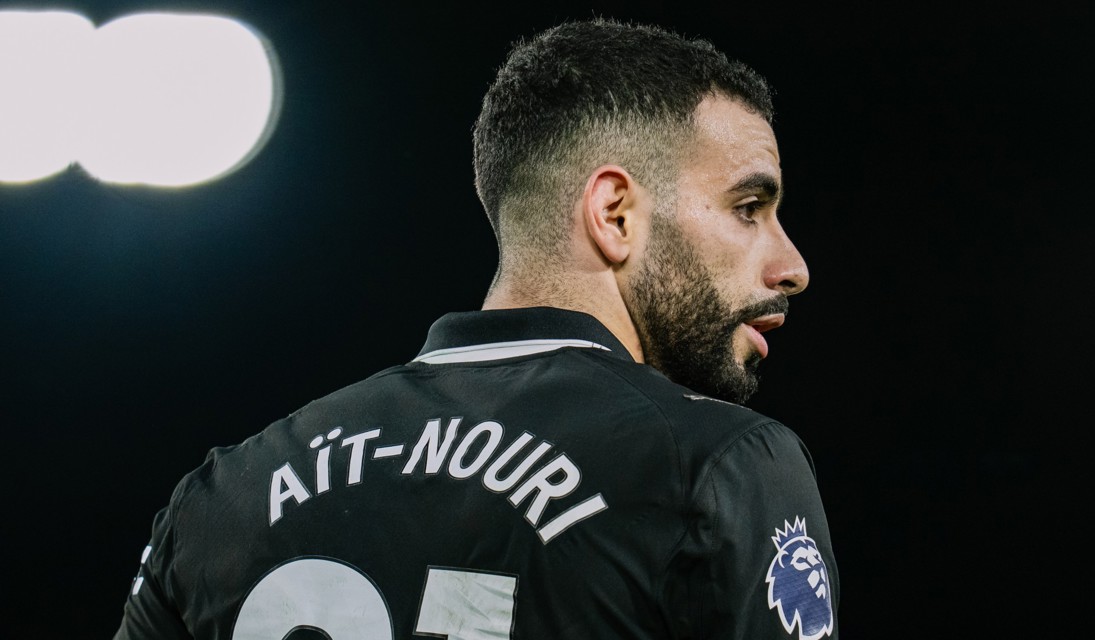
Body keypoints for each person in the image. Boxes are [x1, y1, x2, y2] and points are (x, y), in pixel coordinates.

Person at [115, 18, 839, 640]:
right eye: (750, 206)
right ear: (615, 214)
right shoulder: (720, 466)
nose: (792, 265)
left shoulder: (222, 498)